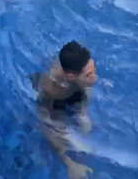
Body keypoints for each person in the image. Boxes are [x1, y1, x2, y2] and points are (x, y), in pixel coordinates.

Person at [34, 41, 96, 179]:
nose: (95, 78)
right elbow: (46, 126)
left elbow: (85, 88)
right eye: (89, 75)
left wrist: (82, 112)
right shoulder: (52, 93)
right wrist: (70, 163)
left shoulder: (74, 66)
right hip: (53, 107)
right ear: (71, 77)